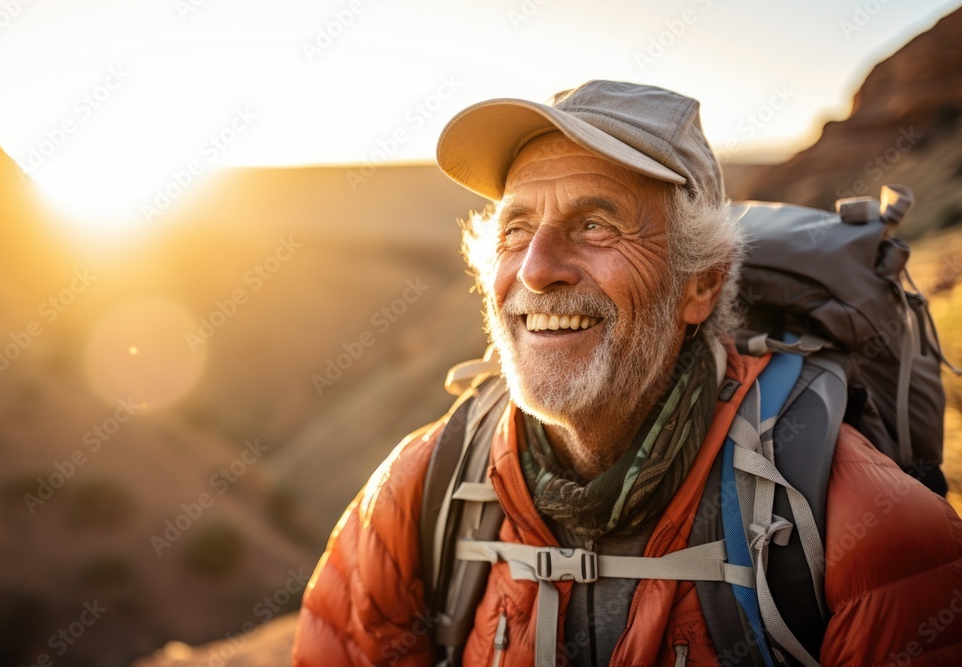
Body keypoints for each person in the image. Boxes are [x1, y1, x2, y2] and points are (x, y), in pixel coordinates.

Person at [291, 81, 962, 666]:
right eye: (516, 229)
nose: (535, 268)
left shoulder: (867, 528)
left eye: (594, 224)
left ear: (701, 284)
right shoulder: (418, 492)